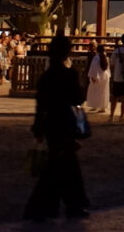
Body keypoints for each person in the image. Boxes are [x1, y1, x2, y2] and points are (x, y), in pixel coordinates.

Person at [24, 35, 90, 220]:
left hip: (52, 123)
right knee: (65, 165)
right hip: (66, 122)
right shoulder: (69, 74)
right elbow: (77, 98)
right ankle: (72, 204)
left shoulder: (47, 76)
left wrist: (38, 128)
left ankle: (48, 206)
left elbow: (41, 104)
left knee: (58, 163)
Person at [85, 42, 110, 112]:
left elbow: (93, 68)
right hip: (105, 76)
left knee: (94, 92)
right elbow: (107, 69)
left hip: (97, 76)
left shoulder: (96, 58)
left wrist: (92, 76)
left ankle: (95, 105)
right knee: (103, 92)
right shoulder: (105, 57)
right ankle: (103, 107)